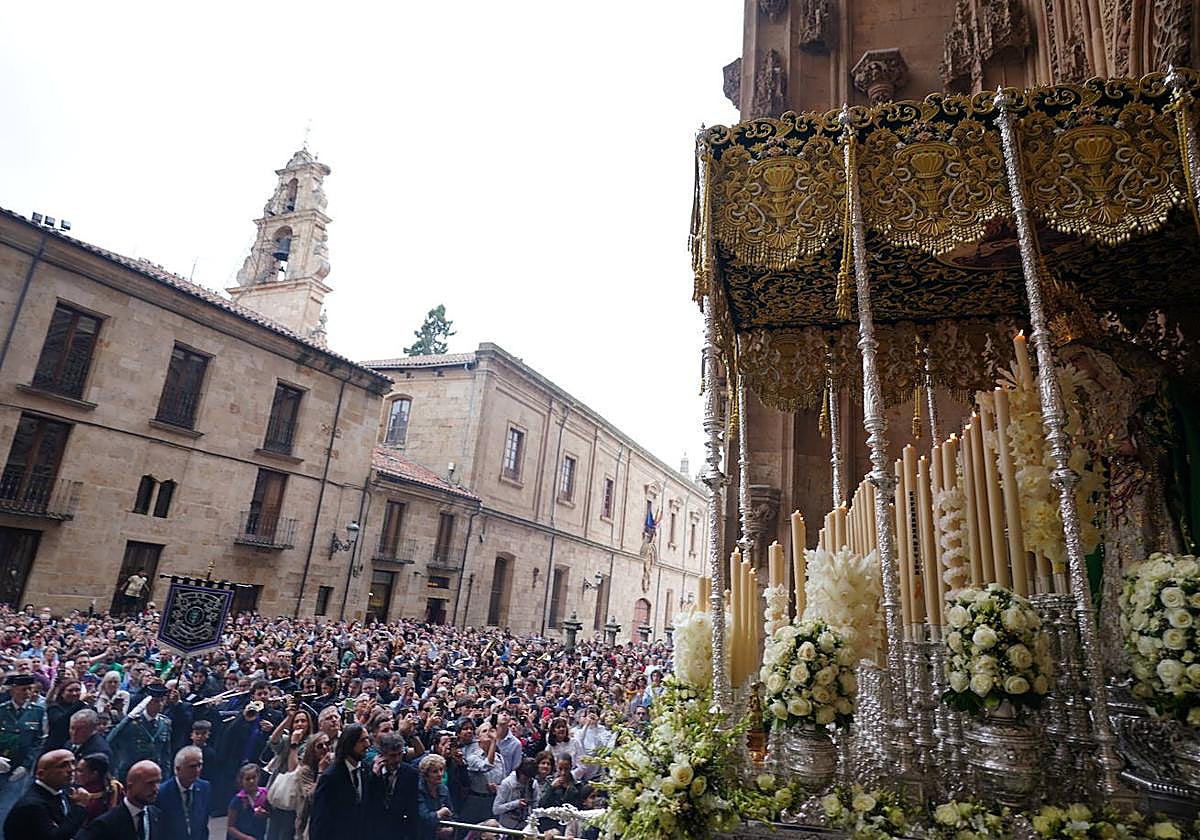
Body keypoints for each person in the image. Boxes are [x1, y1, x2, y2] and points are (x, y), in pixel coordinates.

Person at [1, 748, 89, 840]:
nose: (72, 769)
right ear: (41, 774)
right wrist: (80, 807)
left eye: (73, 763)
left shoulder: (61, 791)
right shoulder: (32, 806)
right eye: (63, 765)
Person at [0, 673, 48, 827]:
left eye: (30, 689)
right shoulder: (1, 710)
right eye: (23, 689)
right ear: (13, 690)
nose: (27, 693)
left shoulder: (38, 712)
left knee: (7, 808)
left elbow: (38, 742)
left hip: (19, 769)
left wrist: (26, 766)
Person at [308, 724, 369, 840]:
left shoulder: (365, 770)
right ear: (349, 744)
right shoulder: (331, 777)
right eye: (362, 741)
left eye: (367, 739)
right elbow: (320, 820)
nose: (367, 744)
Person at [77, 758, 162, 840]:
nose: (156, 789)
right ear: (130, 785)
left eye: (158, 782)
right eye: (150, 783)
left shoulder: (158, 816)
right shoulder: (107, 823)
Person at [106, 684, 172, 780]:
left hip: (153, 775)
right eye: (156, 701)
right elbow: (110, 739)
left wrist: (165, 778)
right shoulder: (132, 722)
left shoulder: (165, 723)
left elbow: (165, 755)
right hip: (131, 773)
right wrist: (128, 718)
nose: (160, 704)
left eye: (162, 701)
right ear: (146, 702)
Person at [366, 732, 419, 839]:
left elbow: (412, 809)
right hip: (374, 831)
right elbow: (368, 801)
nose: (397, 760)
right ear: (382, 754)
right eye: (392, 755)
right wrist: (374, 777)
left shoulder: (410, 773)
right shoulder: (369, 771)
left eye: (400, 754)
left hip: (398, 831)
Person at [157, 745, 209, 840]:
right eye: (192, 766)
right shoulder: (162, 793)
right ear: (178, 769)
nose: (197, 770)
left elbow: (203, 825)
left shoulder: (204, 787)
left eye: (200, 765)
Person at [292, 734, 331, 840]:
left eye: (327, 744)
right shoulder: (305, 771)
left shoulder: (334, 765)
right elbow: (311, 797)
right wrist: (321, 771)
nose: (325, 748)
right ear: (312, 750)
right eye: (320, 746)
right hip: (308, 821)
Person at [75, 753, 122, 825]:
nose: (75, 774)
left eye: (80, 771)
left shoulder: (115, 788)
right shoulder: (74, 790)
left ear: (94, 774)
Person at [492, 756, 537, 831]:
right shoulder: (507, 783)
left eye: (530, 778)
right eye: (525, 777)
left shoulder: (533, 783)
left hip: (525, 828)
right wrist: (516, 804)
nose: (527, 780)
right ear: (520, 772)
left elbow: (535, 805)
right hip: (506, 827)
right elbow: (496, 809)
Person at [227, 762, 269, 840]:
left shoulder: (265, 794)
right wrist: (245, 838)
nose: (251, 781)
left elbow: (271, 814)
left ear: (258, 777)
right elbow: (230, 827)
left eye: (254, 777)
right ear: (241, 781)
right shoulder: (237, 800)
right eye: (247, 779)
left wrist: (265, 814)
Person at [415, 753, 453, 840]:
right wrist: (440, 813)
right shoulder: (417, 790)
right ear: (425, 774)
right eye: (435, 771)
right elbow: (423, 818)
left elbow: (452, 814)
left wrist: (451, 828)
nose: (440, 774)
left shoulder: (444, 789)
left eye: (441, 770)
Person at [43, 678, 86, 754]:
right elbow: (61, 723)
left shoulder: (84, 707)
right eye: (70, 690)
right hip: (56, 749)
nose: (74, 693)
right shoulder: (54, 707)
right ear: (62, 693)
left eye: (77, 690)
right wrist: (79, 703)